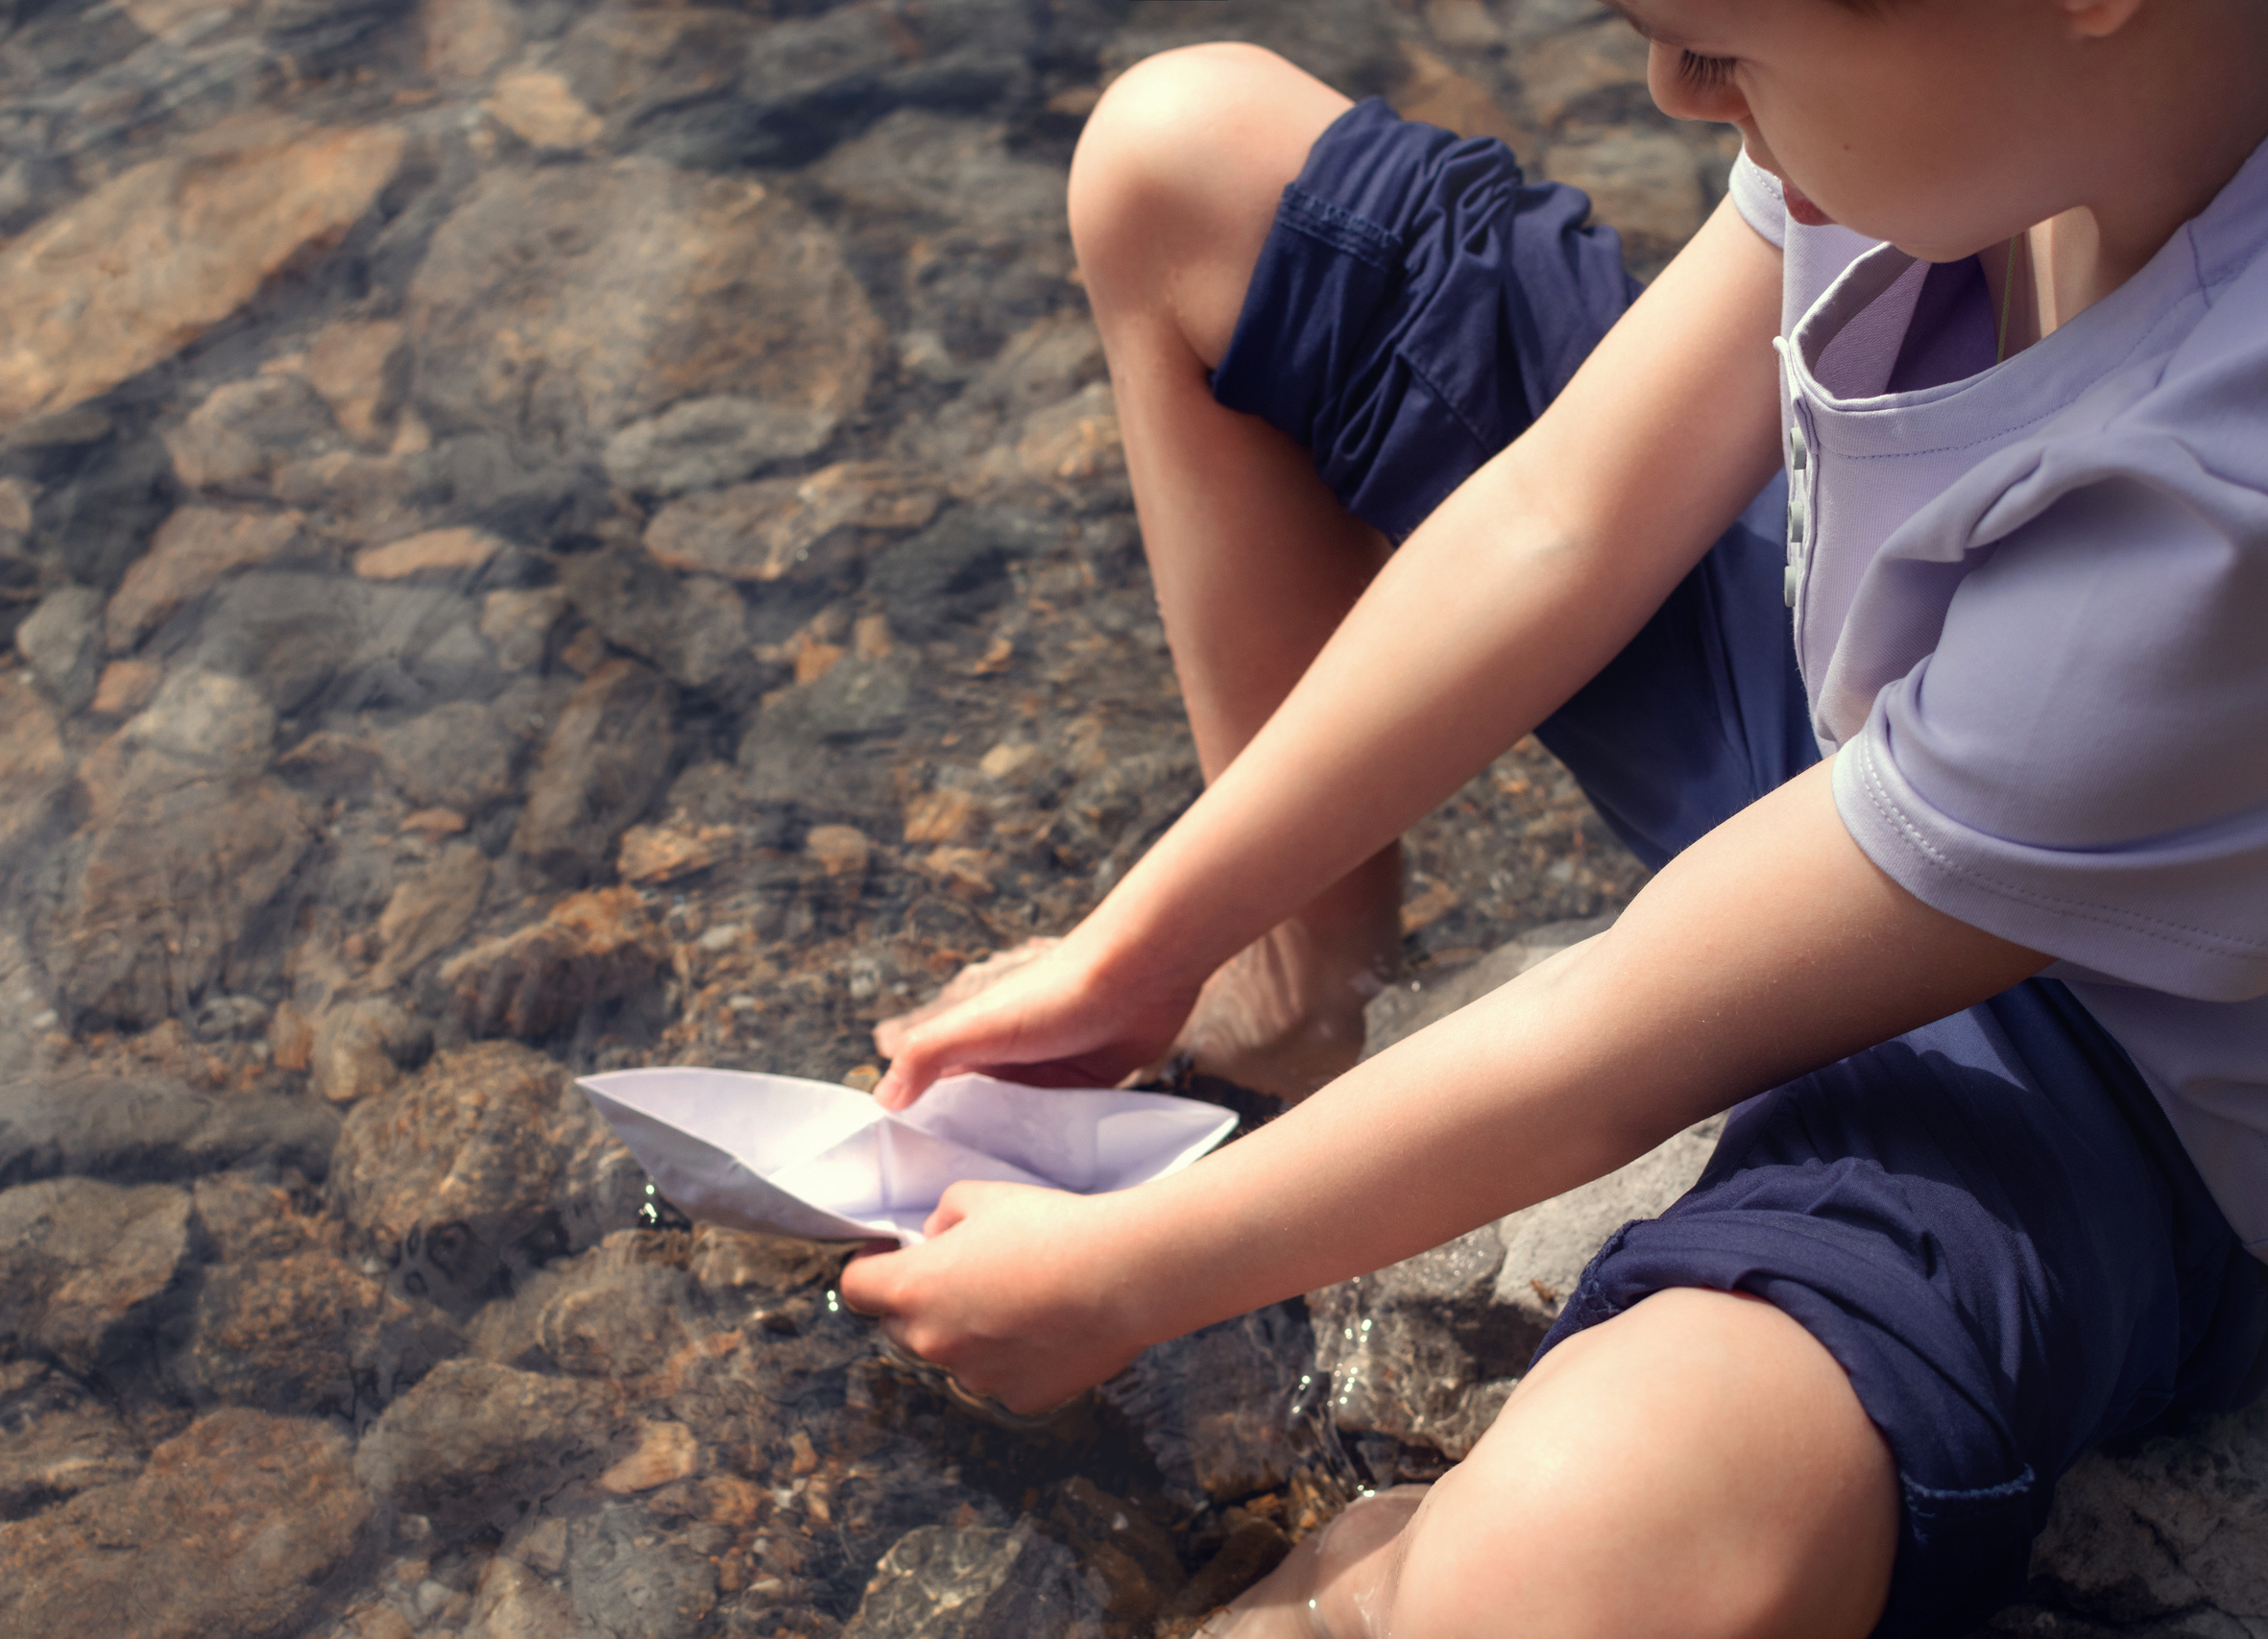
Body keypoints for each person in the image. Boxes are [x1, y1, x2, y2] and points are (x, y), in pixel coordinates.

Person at [841, 0, 2268, 1632]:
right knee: (1182, 158)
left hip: (2099, 1064)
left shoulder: (2229, 489)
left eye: (1716, 45)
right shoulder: (1980, 103)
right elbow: (1562, 514)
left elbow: (1624, 1029)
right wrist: (1147, 945)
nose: (1669, 89)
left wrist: (1128, 1276)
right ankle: (1304, 991)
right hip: (1859, 680)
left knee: (1581, 1551)